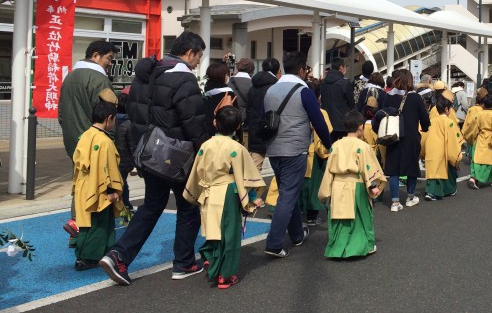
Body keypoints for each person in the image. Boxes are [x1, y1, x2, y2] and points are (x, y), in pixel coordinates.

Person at [100, 32, 210, 286]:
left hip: (148, 153)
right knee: (188, 206)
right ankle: (183, 262)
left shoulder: (144, 75)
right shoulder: (184, 79)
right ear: (190, 52)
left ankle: (119, 255)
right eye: (199, 56)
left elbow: (135, 114)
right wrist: (205, 151)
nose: (198, 62)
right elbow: (193, 123)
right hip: (176, 156)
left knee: (151, 206)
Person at [183, 106, 264, 289]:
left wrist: (194, 194)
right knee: (230, 234)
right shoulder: (236, 148)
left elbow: (197, 172)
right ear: (237, 126)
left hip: (209, 191)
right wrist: (252, 198)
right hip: (229, 191)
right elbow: (244, 176)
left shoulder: (205, 145)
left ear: (214, 123)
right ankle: (225, 276)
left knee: (213, 230)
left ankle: (211, 258)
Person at [262, 51, 332, 259]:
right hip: (295, 150)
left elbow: (262, 117)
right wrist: (329, 144)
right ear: (302, 70)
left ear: (283, 69)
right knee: (288, 195)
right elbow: (318, 121)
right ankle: (274, 243)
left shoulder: (271, 91)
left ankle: (297, 235)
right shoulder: (304, 92)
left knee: (287, 192)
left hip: (273, 149)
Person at [59, 40, 119, 240]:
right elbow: (108, 114)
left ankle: (75, 227)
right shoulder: (99, 80)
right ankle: (88, 234)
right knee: (98, 188)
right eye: (109, 58)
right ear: (95, 56)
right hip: (95, 141)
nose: (110, 63)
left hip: (73, 140)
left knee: (81, 183)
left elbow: (61, 112)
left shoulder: (70, 77)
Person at [318, 110, 387, 258]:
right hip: (357, 185)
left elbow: (329, 169)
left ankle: (337, 249)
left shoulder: (335, 145)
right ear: (361, 127)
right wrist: (374, 186)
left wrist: (325, 191)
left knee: (339, 218)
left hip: (337, 184)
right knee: (361, 217)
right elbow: (368, 169)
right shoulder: (362, 146)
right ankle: (362, 247)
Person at [72, 100, 124, 271]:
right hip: (99, 187)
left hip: (83, 184)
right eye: (114, 119)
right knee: (100, 224)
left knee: (87, 222)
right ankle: (91, 257)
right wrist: (112, 190)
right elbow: (107, 169)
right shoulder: (105, 141)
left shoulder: (84, 135)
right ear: (109, 119)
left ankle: (84, 254)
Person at [374, 68, 430, 212]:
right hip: (410, 137)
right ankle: (410, 197)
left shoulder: (387, 96)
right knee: (411, 167)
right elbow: (424, 118)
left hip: (392, 136)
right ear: (410, 80)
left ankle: (395, 202)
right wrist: (425, 127)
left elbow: (380, 114)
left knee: (393, 169)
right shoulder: (415, 97)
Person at [422, 93, 464, 201]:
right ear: (446, 109)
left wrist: (422, 151)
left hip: (431, 149)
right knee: (448, 170)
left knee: (433, 172)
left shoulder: (431, 121)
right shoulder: (449, 122)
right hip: (443, 151)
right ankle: (437, 192)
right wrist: (457, 156)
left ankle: (431, 191)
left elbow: (424, 136)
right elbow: (453, 142)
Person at [301, 80, 332, 227]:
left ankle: (298, 213)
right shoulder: (321, 111)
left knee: (302, 185)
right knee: (315, 186)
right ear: (318, 96)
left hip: (300, 150)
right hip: (316, 153)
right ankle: (312, 216)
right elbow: (327, 130)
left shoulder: (299, 108)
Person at [464, 93, 492, 189]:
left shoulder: (478, 115)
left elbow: (471, 129)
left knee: (477, 160)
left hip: (480, 138)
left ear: (483, 104)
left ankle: (473, 178)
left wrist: (470, 138)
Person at [246, 58, 280, 171]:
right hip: (274, 131)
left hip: (255, 131)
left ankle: (249, 188)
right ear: (278, 70)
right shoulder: (277, 88)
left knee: (254, 169)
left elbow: (249, 110)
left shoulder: (253, 87)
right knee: (280, 171)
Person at [321, 58, 355, 143]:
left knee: (330, 151)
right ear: (341, 67)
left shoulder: (323, 82)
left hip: (327, 123)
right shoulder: (345, 83)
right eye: (344, 66)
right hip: (342, 124)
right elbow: (351, 104)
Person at [115, 89, 136, 211]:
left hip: (113, 160)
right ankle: (125, 207)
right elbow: (132, 146)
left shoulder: (111, 121)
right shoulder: (129, 124)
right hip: (125, 161)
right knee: (123, 185)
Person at [203, 62, 237, 137]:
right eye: (226, 74)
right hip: (223, 132)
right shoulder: (228, 93)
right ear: (222, 76)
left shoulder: (205, 91)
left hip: (206, 131)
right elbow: (235, 116)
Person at [228, 58, 255, 137]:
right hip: (246, 123)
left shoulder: (230, 81)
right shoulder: (252, 84)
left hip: (230, 120)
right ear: (251, 69)